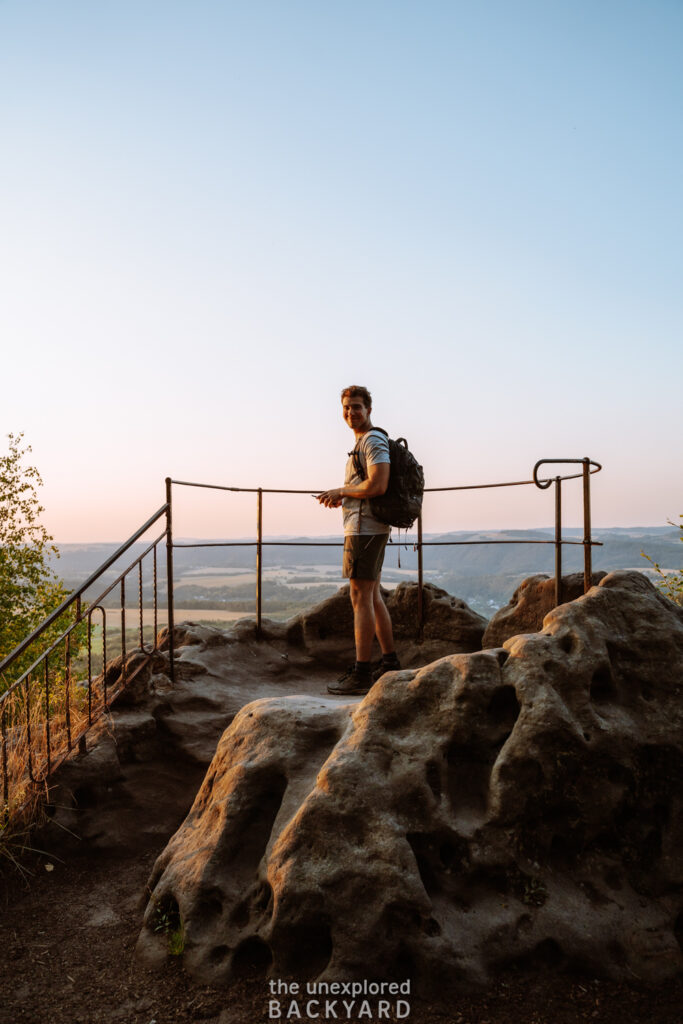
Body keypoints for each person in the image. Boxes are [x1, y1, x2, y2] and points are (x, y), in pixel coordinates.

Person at [317, 385, 401, 695]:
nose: (351, 412)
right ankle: (389, 662)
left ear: (368, 410)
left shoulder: (372, 440)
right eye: (346, 407)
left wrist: (341, 491)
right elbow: (364, 487)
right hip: (364, 525)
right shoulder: (362, 443)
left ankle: (362, 673)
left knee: (359, 596)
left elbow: (378, 485)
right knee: (372, 594)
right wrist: (345, 495)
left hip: (365, 528)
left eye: (356, 406)